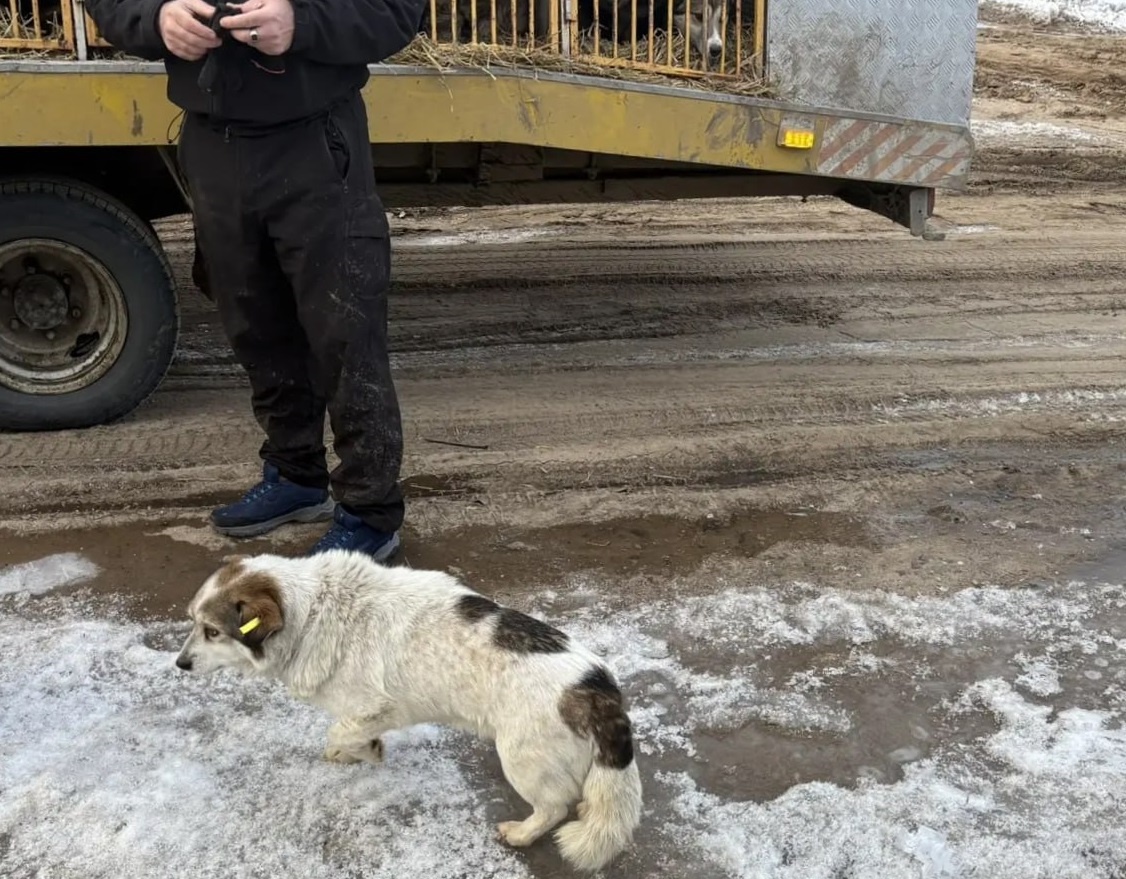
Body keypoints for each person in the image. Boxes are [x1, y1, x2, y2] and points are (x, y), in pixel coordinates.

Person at [85, 0, 427, 561]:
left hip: (316, 142)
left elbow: (397, 13)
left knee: (344, 331)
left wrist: (304, 23)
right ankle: (296, 475)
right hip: (213, 142)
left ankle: (370, 511)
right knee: (253, 321)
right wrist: (156, 19)